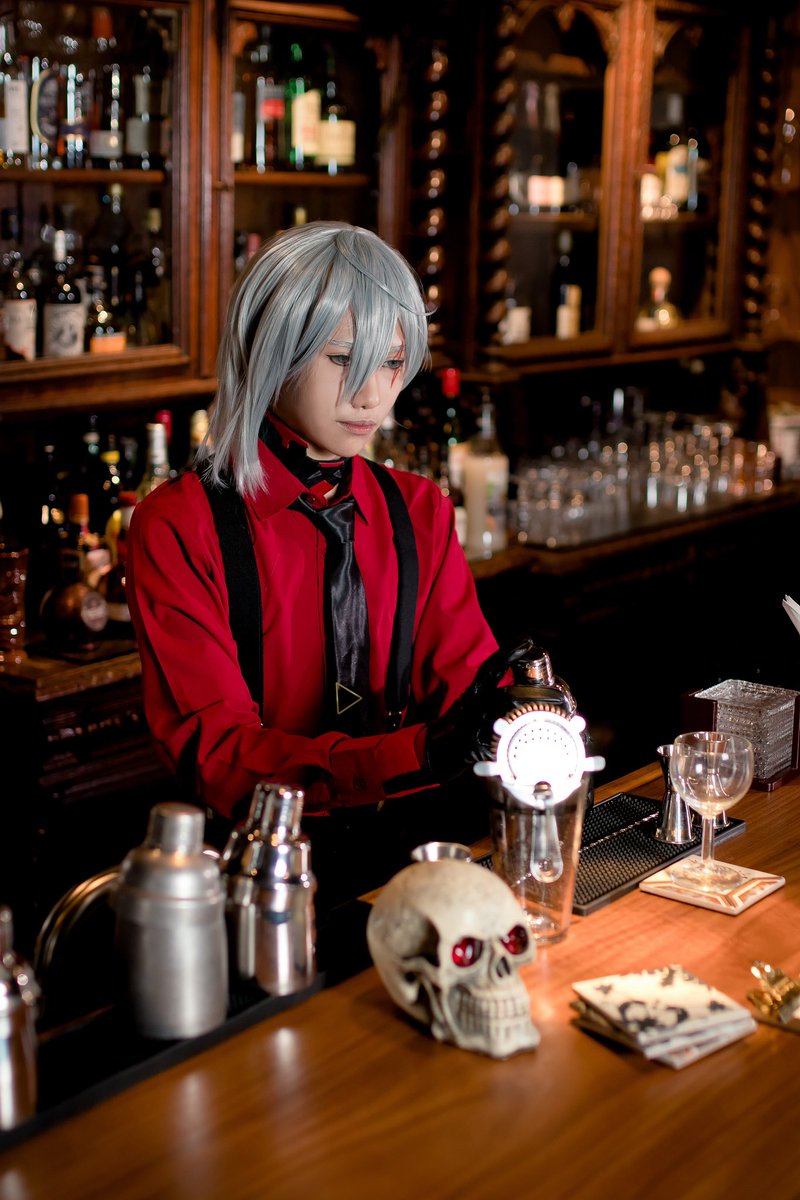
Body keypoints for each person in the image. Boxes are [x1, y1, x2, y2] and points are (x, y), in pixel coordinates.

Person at [127, 220, 526, 910]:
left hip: (410, 867)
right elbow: (222, 754)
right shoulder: (179, 524)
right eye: (344, 359)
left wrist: (516, 710)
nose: (372, 395)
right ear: (271, 350)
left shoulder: (420, 510)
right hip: (255, 884)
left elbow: (467, 683)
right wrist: (418, 753)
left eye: (392, 363)